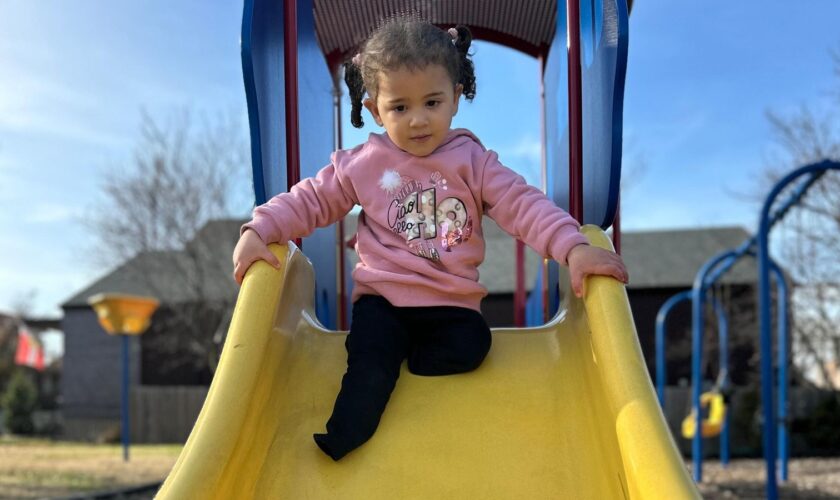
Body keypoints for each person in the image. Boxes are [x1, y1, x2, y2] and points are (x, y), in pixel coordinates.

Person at [232, 18, 629, 461]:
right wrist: (260, 228)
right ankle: (342, 438)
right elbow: (310, 200)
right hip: (383, 299)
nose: (418, 119)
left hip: (450, 303)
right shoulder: (363, 163)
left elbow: (522, 205)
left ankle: (417, 361)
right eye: (399, 108)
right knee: (368, 364)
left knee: (474, 346)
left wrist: (571, 246)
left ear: (456, 99)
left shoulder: (473, 162)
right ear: (376, 109)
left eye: (432, 102)